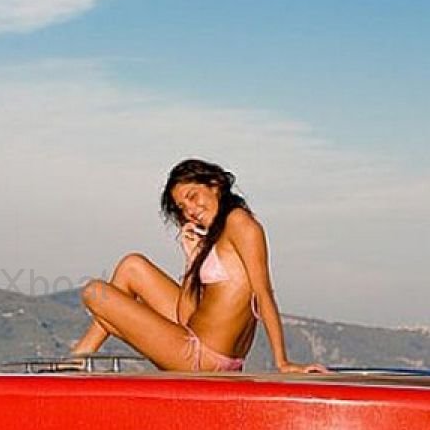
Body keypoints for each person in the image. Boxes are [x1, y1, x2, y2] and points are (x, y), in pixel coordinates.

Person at [70, 159, 327, 374]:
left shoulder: (239, 223)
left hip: (202, 359)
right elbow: (186, 318)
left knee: (95, 292)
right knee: (132, 266)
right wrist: (192, 258)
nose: (190, 211)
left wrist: (282, 361)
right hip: (194, 344)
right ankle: (77, 361)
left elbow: (263, 294)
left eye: (193, 196)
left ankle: (75, 362)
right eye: (182, 207)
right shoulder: (214, 237)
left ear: (215, 185)